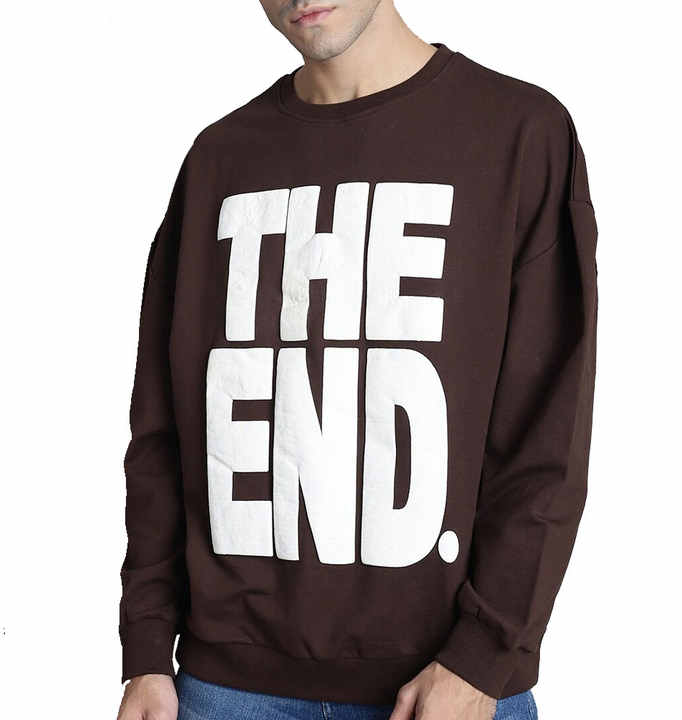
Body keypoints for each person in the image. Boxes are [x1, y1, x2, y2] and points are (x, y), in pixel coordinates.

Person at [117, 1, 598, 719]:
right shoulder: (220, 160)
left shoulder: (519, 134)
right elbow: (164, 430)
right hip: (224, 688)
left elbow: (548, 435)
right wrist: (148, 650)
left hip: (443, 688)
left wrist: (482, 657)